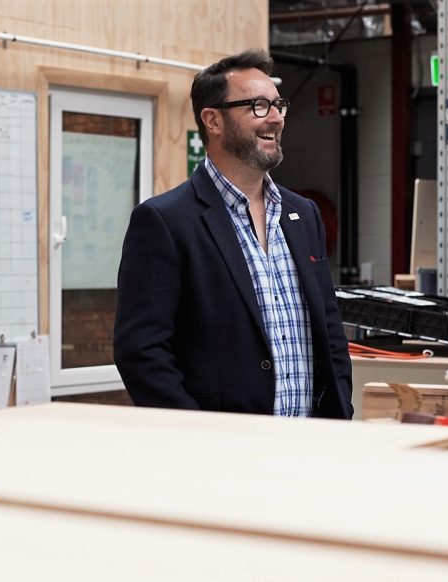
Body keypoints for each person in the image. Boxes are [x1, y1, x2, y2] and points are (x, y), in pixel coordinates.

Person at [113, 49, 353, 418]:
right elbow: (141, 352)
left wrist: (339, 413)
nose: (275, 118)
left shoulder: (302, 214)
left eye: (278, 104)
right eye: (258, 106)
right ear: (213, 120)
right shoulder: (165, 222)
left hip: (310, 445)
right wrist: (198, 437)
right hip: (222, 454)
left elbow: (329, 329)